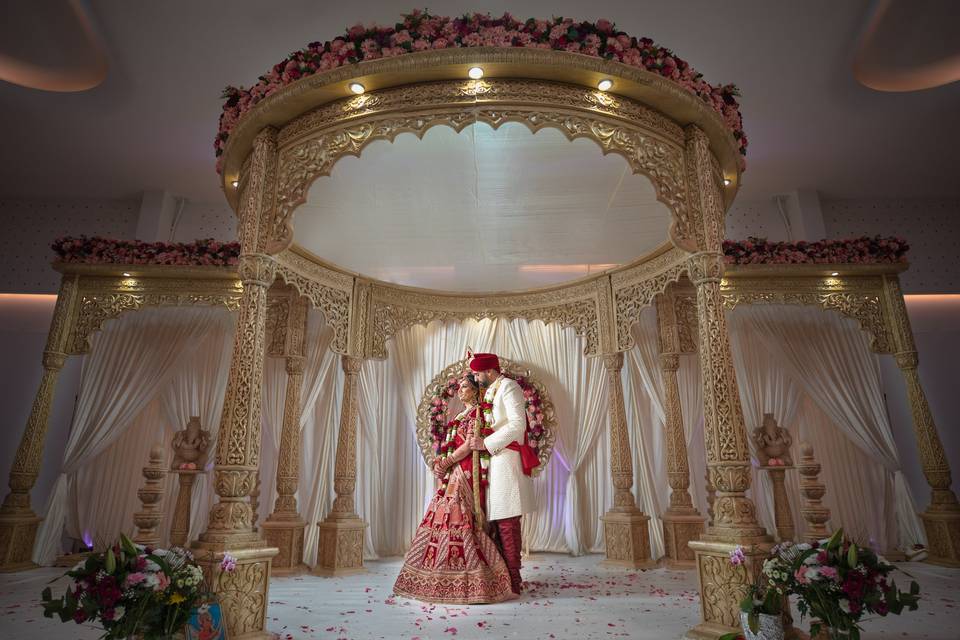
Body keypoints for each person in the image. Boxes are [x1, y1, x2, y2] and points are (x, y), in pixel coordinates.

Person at [393, 372, 515, 604]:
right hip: (455, 471)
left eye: (465, 387)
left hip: (467, 470)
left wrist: (447, 463)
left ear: (477, 391)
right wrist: (441, 463)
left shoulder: (478, 414)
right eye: (459, 387)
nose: (460, 391)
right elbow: (451, 446)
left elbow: (470, 444)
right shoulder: (460, 415)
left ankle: (474, 575)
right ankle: (439, 571)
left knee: (459, 516)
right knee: (444, 515)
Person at [468, 352, 534, 595]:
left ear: (490, 371)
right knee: (496, 522)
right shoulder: (488, 392)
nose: (476, 377)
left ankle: (514, 581)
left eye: (478, 373)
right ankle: (503, 578)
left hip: (507, 461)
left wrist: (484, 443)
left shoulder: (509, 387)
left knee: (507, 520)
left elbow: (518, 425)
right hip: (494, 462)